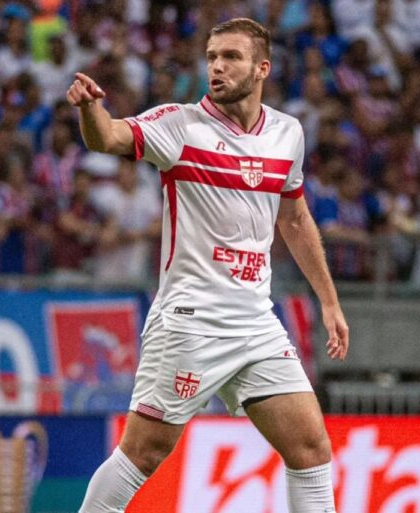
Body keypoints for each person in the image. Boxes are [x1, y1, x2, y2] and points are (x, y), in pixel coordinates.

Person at [66, 17, 348, 513]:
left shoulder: (287, 134)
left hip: (256, 321)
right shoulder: (179, 126)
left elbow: (296, 219)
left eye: (231, 57)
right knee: (143, 453)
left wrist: (329, 301)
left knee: (310, 449)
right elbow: (107, 138)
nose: (217, 67)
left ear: (262, 68)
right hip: (191, 323)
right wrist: (92, 110)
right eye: (212, 57)